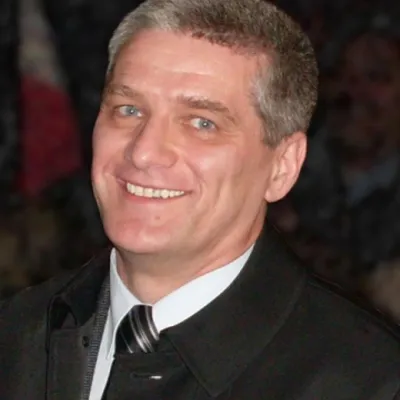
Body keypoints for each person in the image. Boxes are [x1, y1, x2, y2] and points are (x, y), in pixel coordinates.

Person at [1, 0, 400, 399]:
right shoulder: (16, 337)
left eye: (201, 123)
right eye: (128, 110)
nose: (144, 152)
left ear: (282, 167)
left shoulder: (368, 382)